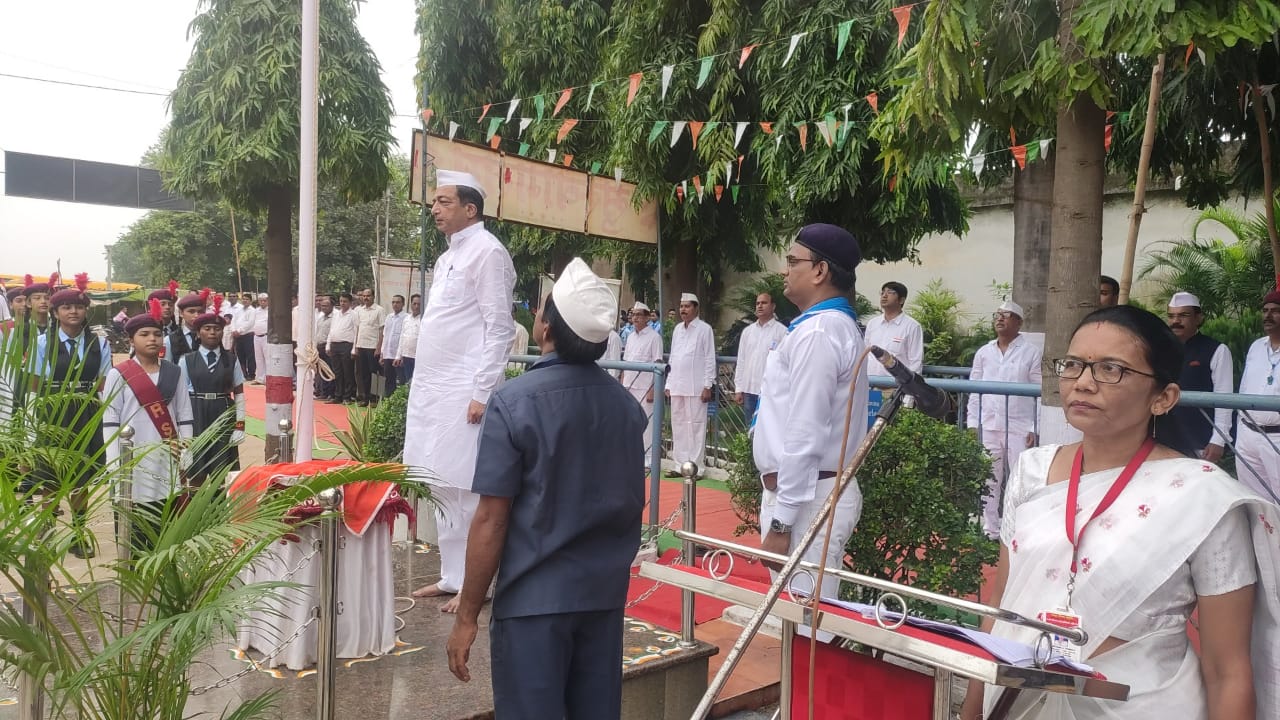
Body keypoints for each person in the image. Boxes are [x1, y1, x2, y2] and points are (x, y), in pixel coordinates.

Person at [960, 304, 1280, 720]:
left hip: (1144, 706)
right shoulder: (1031, 471)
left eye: (1111, 369)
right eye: (1073, 365)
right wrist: (972, 711)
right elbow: (1001, 607)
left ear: (1163, 398)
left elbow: (1227, 671)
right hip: (1015, 701)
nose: (1083, 383)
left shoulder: (1202, 498)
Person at [445, 258, 645, 719]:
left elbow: (491, 519)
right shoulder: (626, 407)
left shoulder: (513, 402)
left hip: (533, 604)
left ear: (547, 328)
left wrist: (467, 615)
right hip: (602, 600)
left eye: (539, 310)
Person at [405, 169, 516, 612]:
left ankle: (476, 583)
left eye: (444, 201)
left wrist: (482, 392)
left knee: (469, 488)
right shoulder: (447, 257)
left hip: (466, 389)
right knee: (441, 483)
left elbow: (499, 327)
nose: (434, 208)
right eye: (435, 202)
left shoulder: (488, 252)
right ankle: (453, 576)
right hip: (434, 389)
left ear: (471, 209)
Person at [754, 224, 868, 623]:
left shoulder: (820, 331)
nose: (784, 270)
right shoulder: (818, 326)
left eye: (792, 261)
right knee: (794, 626)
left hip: (806, 502)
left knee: (806, 629)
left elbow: (806, 431)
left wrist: (782, 522)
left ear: (820, 271)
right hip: (804, 495)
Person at [31, 275, 113, 558]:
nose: (73, 312)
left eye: (78, 307)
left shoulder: (99, 343)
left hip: (87, 411)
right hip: (54, 411)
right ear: (55, 313)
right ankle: (48, 532)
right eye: (66, 307)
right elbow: (35, 383)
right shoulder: (43, 343)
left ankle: (79, 534)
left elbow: (103, 382)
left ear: (85, 311)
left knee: (81, 477)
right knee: (51, 475)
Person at [102, 302, 195, 548]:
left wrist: (187, 449)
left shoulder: (174, 372)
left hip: (167, 453)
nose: (152, 339)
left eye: (157, 334)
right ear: (131, 340)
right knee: (133, 522)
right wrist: (114, 461)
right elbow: (110, 419)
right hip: (132, 457)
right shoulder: (118, 374)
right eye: (144, 334)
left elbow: (184, 414)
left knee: (166, 516)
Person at [967, 300, 1043, 540]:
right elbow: (974, 389)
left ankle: (1018, 529)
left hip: (1019, 426)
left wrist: (1035, 426)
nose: (1000, 319)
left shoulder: (1030, 352)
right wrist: (972, 423)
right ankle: (991, 529)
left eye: (1007, 315)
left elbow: (1039, 392)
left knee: (1020, 479)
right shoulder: (984, 352)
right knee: (989, 477)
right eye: (997, 315)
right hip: (989, 424)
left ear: (1019, 322)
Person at [1156, 292, 1233, 461]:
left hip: (1201, 442)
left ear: (1198, 318)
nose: (1176, 321)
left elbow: (1224, 398)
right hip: (1165, 439)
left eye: (1183, 315)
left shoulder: (1216, 350)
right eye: (1171, 316)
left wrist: (1219, 439)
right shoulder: (1161, 350)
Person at [180, 296, 245, 485]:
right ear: (198, 333)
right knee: (196, 471)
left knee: (221, 470)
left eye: (217, 329)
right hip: (196, 413)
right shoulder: (186, 360)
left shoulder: (231, 360)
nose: (212, 332)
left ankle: (220, 502)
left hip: (223, 413)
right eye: (207, 329)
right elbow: (181, 397)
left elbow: (239, 393)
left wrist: (240, 425)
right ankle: (196, 503)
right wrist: (183, 436)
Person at [1234, 289, 1280, 502]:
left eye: (1275, 311)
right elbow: (1244, 388)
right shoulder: (1256, 347)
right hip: (1248, 435)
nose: (1268, 316)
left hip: (1276, 437)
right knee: (1254, 501)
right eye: (1265, 310)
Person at [666, 292, 716, 476]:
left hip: (696, 386)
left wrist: (708, 385)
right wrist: (669, 383)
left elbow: (709, 358)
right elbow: (673, 357)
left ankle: (696, 467)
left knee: (696, 426)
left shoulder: (704, 329)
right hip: (677, 385)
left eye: (687, 306)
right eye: (681, 306)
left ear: (696, 308)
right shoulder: (678, 329)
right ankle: (679, 465)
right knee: (678, 425)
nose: (683, 310)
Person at [620, 302, 662, 469]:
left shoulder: (654, 337)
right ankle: (631, 455)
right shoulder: (630, 336)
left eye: (639, 315)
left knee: (647, 423)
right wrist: (622, 385)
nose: (635, 318)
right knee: (630, 422)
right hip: (629, 386)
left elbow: (657, 363)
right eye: (633, 314)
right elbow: (625, 362)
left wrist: (653, 388)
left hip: (645, 386)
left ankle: (648, 458)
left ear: (646, 317)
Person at [734, 292, 788, 422]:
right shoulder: (748, 332)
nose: (760, 306)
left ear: (773, 306)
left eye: (764, 303)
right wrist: (738, 389)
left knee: (768, 429)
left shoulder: (782, 332)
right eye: (757, 303)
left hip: (770, 392)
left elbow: (785, 363)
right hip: (749, 391)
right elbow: (741, 361)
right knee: (749, 429)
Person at [863, 281, 924, 376]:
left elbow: (916, 362)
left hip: (895, 383)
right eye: (882, 292)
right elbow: (865, 354)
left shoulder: (912, 326)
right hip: (870, 381)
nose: (884, 296)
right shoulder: (872, 323)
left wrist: (910, 384)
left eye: (890, 292)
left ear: (901, 300)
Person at [351, 288, 386, 407]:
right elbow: (357, 329)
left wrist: (379, 347)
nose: (366, 298)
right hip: (361, 346)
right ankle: (365, 398)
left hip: (373, 347)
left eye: (368, 296)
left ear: (373, 297)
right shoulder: (359, 310)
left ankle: (375, 399)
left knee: (375, 373)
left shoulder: (379, 310)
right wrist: (355, 347)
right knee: (363, 374)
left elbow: (382, 330)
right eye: (364, 296)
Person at [326, 292, 357, 404]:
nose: (342, 303)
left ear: (350, 303)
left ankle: (347, 396)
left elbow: (356, 331)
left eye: (345, 301)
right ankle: (338, 395)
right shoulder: (336, 314)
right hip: (335, 344)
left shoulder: (354, 314)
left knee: (347, 371)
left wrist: (354, 348)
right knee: (337, 372)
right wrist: (328, 345)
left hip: (346, 345)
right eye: (341, 301)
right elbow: (332, 330)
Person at [166, 289, 210, 363]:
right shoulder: (169, 340)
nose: (196, 315)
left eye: (200, 312)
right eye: (191, 312)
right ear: (181, 313)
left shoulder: (209, 337)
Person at [379, 294, 406, 399]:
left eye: (398, 302)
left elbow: (404, 338)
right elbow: (385, 335)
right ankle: (389, 401)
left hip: (398, 356)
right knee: (389, 380)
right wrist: (382, 353)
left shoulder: (406, 318)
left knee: (401, 380)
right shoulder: (389, 317)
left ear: (403, 304)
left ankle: (399, 402)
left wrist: (400, 356)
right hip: (387, 354)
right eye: (393, 302)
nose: (395, 304)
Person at [394, 293, 422, 385]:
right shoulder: (406, 319)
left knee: (416, 383)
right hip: (406, 356)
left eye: (419, 304)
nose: (416, 306)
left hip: (418, 357)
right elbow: (402, 337)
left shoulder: (424, 320)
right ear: (411, 304)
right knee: (407, 382)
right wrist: (398, 356)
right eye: (414, 304)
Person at [231, 292, 257, 381]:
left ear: (250, 301)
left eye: (247, 299)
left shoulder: (252, 311)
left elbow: (250, 323)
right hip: (238, 336)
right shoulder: (239, 310)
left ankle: (251, 374)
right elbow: (233, 320)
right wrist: (233, 330)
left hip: (248, 335)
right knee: (240, 355)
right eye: (243, 299)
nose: (245, 301)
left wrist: (239, 330)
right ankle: (243, 373)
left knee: (250, 355)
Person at [314, 295, 335, 400]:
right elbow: (317, 333)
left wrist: (328, 346)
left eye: (326, 306)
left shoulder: (334, 318)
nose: (323, 308)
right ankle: (323, 392)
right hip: (319, 346)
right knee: (321, 370)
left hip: (328, 347)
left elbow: (332, 333)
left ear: (331, 306)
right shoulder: (320, 318)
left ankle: (330, 393)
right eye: (322, 306)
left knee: (329, 370)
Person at [250, 293, 269, 385]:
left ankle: (268, 378)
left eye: (264, 300)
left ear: (268, 301)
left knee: (267, 357)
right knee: (258, 358)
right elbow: (252, 322)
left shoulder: (270, 310)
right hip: (256, 336)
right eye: (261, 300)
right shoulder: (256, 311)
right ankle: (260, 378)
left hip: (266, 336)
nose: (263, 302)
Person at [507, 303, 530, 372]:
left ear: (514, 314)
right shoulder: (501, 330)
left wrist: (517, 373)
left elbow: (522, 352)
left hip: (512, 371)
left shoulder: (521, 330)